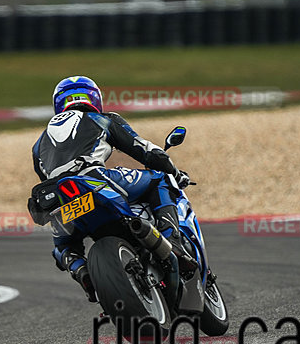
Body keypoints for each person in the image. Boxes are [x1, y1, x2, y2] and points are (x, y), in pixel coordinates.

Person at [30, 76, 196, 302]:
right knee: (160, 179)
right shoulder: (102, 119)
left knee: (64, 245)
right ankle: (173, 243)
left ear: (58, 104)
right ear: (94, 98)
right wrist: (174, 170)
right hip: (94, 179)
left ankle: (82, 272)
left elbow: (45, 176)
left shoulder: (39, 144)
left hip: (58, 196)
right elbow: (145, 151)